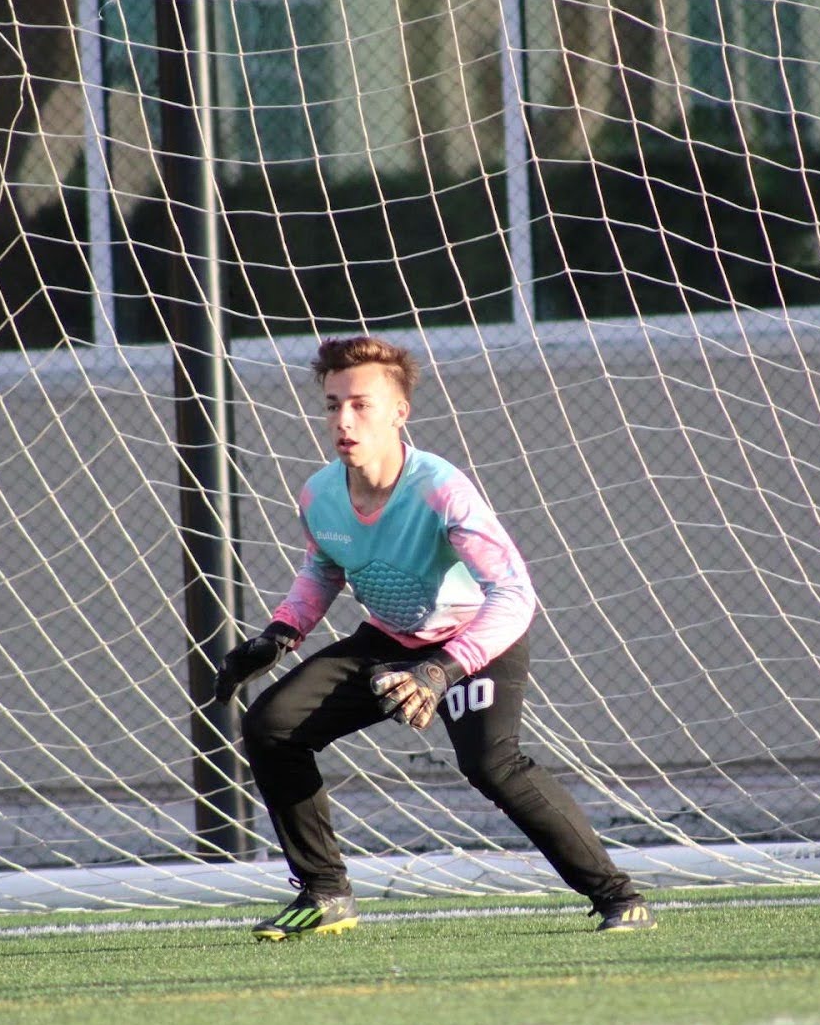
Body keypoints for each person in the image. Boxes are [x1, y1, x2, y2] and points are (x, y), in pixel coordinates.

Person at [213, 335, 655, 941]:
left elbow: (515, 594)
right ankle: (324, 894)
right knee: (272, 726)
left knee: (491, 764)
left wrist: (441, 671)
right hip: (388, 641)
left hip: (472, 643)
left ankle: (618, 897)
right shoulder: (320, 493)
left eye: (361, 404)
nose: (343, 419)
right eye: (333, 404)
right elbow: (324, 568)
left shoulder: (440, 488)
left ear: (399, 412)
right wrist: (282, 632)